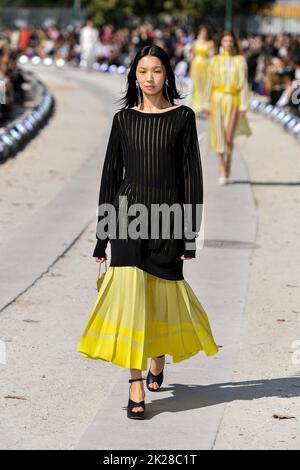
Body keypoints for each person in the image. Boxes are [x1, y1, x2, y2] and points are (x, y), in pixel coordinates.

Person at [77, 45, 219, 420]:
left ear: (167, 75)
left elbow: (192, 179)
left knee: (159, 297)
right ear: (134, 77)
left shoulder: (183, 118)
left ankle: (158, 356)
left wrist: (189, 234)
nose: (150, 78)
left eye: (157, 70)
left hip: (167, 219)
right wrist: (101, 236)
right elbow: (110, 176)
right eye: (143, 71)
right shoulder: (123, 120)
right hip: (127, 218)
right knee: (130, 300)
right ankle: (135, 383)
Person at [203, 31, 252, 185]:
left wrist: (244, 105)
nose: (228, 44)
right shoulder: (215, 61)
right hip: (217, 100)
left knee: (229, 136)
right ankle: (222, 167)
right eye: (225, 41)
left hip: (234, 99)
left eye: (231, 41)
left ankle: (229, 160)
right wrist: (206, 103)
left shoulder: (240, 61)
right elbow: (209, 82)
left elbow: (244, 84)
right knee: (218, 135)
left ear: (234, 43)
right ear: (221, 43)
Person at [189, 25, 214, 116]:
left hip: (206, 65)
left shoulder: (210, 43)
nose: (204, 34)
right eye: (202, 32)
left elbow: (212, 56)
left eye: (205, 32)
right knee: (196, 85)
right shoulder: (195, 42)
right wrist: (191, 67)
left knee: (205, 86)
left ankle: (204, 106)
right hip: (197, 65)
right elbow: (193, 55)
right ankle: (196, 106)